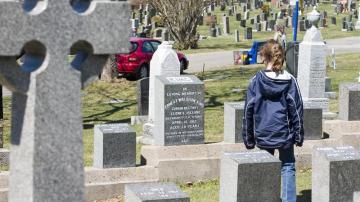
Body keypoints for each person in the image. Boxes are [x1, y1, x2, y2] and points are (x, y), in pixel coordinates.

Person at [242, 39, 304, 202]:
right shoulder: (290, 80)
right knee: (288, 166)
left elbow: (248, 111)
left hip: (263, 133)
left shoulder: (255, 81)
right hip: (285, 132)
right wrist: (298, 135)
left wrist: (249, 139)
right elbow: (297, 110)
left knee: (264, 168)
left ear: (263, 57)